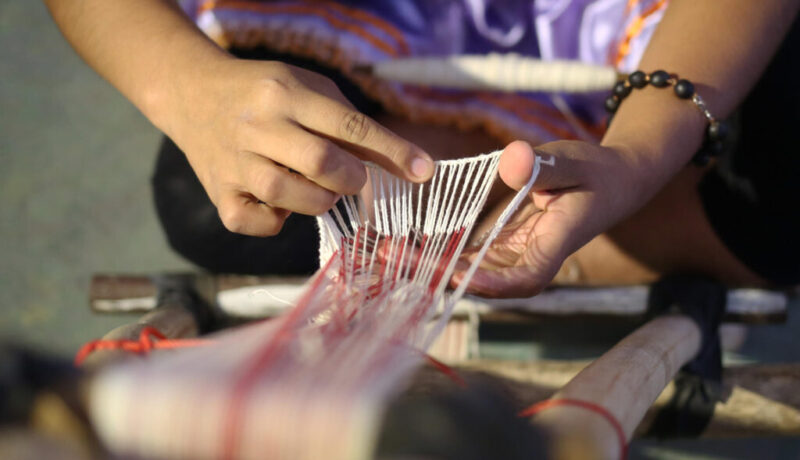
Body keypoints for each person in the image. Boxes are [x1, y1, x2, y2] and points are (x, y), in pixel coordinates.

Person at [44, 0, 800, 297]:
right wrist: (186, 86)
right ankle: (530, 213)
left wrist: (638, 156)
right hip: (356, 32)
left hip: (662, 39)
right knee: (212, 198)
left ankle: (585, 234)